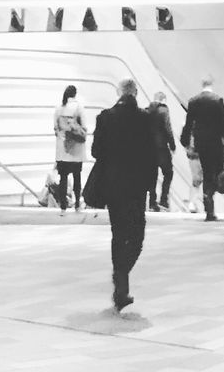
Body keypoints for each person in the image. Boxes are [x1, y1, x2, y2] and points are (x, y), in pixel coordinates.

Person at [91, 79, 156, 311]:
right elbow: (152, 154)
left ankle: (121, 283)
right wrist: (152, 186)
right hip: (136, 187)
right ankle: (121, 278)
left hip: (113, 185)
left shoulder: (105, 117)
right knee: (137, 235)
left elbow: (96, 151)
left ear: (119, 93)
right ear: (135, 93)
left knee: (118, 234)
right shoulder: (145, 118)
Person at [180, 76, 224, 222]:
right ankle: (210, 196)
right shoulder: (218, 100)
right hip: (215, 142)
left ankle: (209, 207)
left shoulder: (194, 101)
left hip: (201, 142)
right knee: (217, 171)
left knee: (206, 171)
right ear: (212, 85)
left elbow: (189, 123)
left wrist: (185, 139)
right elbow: (223, 123)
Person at [54, 85, 87, 212]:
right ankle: (77, 203)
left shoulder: (58, 108)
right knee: (77, 176)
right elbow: (84, 126)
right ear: (75, 94)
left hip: (62, 149)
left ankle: (63, 205)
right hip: (76, 149)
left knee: (63, 178)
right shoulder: (79, 107)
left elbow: (55, 128)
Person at [144, 91, 175, 212]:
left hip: (148, 148)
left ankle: (152, 202)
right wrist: (172, 144)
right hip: (161, 148)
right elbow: (168, 127)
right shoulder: (164, 110)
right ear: (163, 100)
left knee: (152, 174)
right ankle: (164, 199)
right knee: (168, 173)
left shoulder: (146, 110)